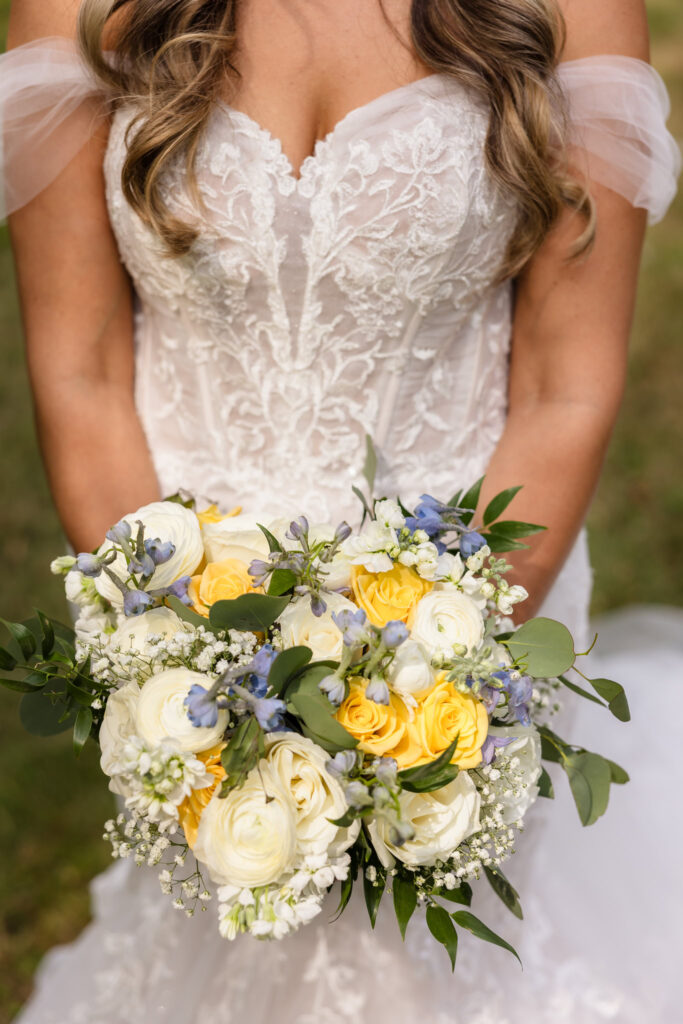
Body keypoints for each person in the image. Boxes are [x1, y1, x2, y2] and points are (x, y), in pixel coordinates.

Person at [2, 0, 680, 1021]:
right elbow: (83, 373)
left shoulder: (574, 10)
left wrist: (433, 692)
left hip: (464, 616)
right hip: (186, 619)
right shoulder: (77, 7)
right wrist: (180, 674)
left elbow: (562, 391)